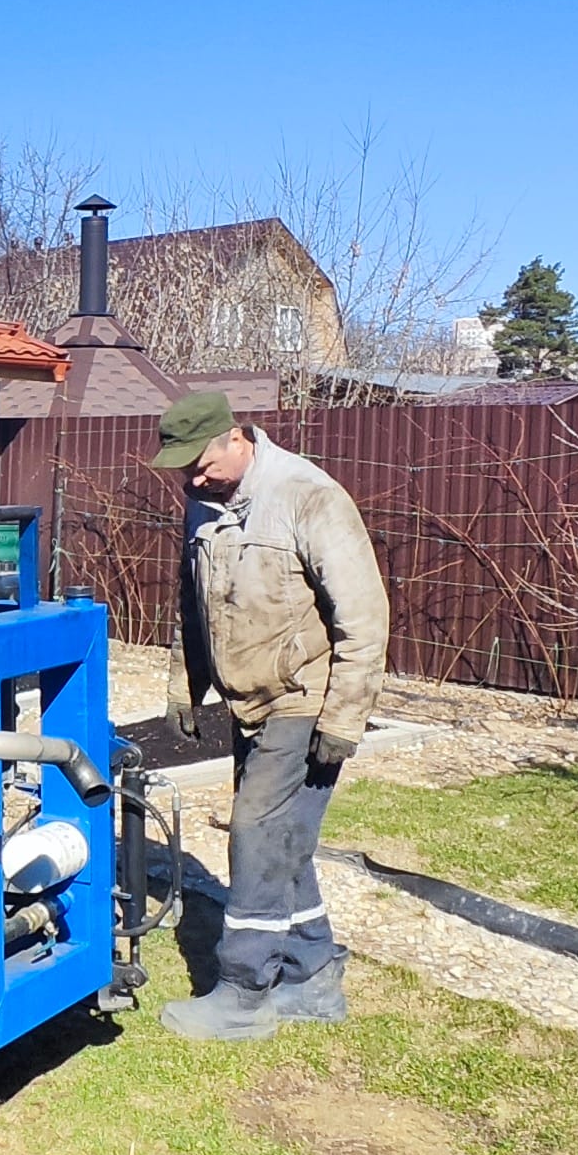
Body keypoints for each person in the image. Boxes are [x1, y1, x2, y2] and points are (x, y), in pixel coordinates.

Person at [146, 390, 389, 1041]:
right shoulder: (205, 501)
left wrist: (344, 718)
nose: (193, 479)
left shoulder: (308, 497)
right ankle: (312, 980)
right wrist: (185, 685)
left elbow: (364, 620)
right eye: (183, 469)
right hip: (249, 702)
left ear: (235, 438)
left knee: (254, 830)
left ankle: (244, 992)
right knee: (285, 839)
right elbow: (190, 600)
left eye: (200, 464)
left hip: (304, 698)